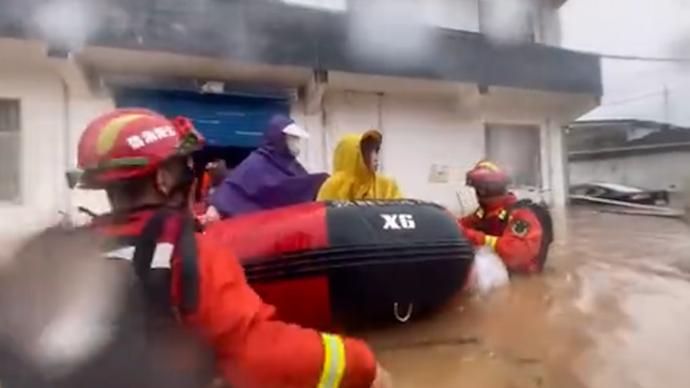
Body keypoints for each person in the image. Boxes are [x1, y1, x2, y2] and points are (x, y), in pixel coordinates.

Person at [73, 108, 392, 388]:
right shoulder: (190, 254)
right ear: (164, 180)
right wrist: (361, 363)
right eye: (186, 168)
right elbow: (256, 355)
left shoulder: (70, 254)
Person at [210, 114, 329, 217]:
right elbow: (232, 190)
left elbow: (298, 188)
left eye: (297, 138)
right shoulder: (255, 163)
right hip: (255, 230)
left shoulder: (294, 166)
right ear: (279, 139)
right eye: (292, 138)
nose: (296, 142)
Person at [459, 160, 553, 274]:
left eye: (479, 189)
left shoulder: (522, 215)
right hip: (499, 272)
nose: (478, 194)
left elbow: (515, 253)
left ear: (482, 190)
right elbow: (463, 224)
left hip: (521, 279)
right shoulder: (484, 212)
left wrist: (472, 236)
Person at [317, 130, 401, 201]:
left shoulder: (387, 185)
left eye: (376, 151)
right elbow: (321, 217)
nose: (375, 157)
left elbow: (401, 213)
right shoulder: (332, 187)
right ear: (354, 155)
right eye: (367, 152)